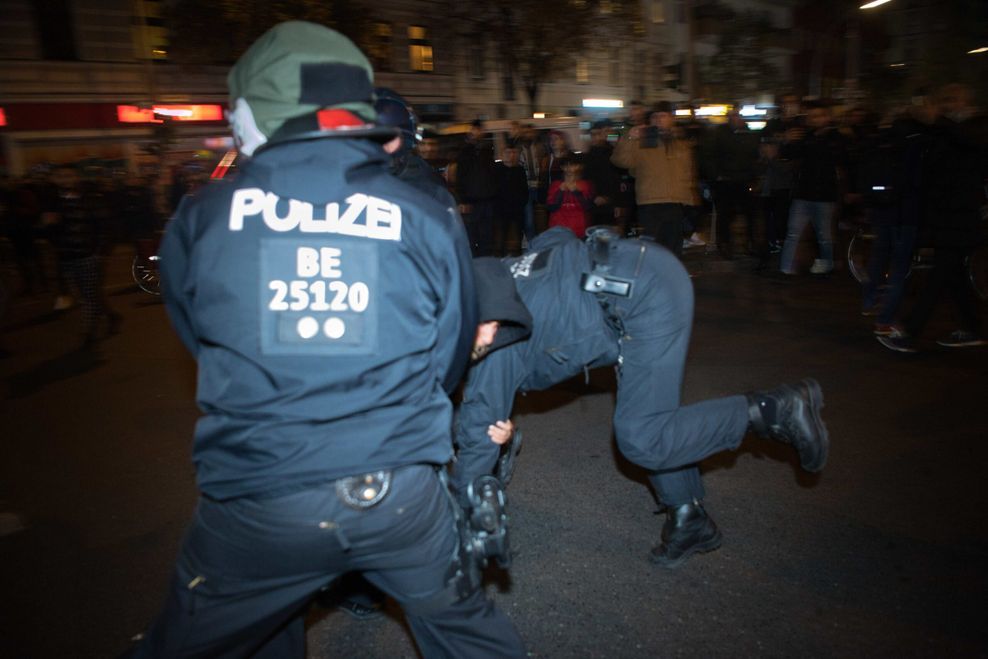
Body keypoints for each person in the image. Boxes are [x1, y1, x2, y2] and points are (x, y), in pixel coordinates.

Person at [129, 22, 525, 658]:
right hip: (402, 494)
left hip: (263, 501)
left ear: (256, 116)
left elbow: (198, 334)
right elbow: (450, 352)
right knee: (469, 638)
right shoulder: (426, 211)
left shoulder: (201, 217)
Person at [453, 227, 830, 568]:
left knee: (641, 437)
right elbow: (558, 236)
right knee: (647, 411)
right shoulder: (500, 274)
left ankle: (774, 409)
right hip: (637, 265)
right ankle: (688, 519)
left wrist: (458, 524)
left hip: (642, 299)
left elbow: (477, 436)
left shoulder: (494, 345)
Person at [878, 84, 987, 352]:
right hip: (944, 215)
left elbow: (971, 143)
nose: (947, 104)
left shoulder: (977, 125)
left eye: (952, 100)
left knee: (941, 274)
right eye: (943, 100)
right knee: (953, 275)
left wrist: (937, 119)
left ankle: (910, 331)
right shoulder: (943, 130)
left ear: (966, 101)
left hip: (963, 216)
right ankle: (972, 328)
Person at [611, 102, 697, 257]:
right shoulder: (642, 142)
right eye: (655, 117)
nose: (658, 120)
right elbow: (620, 161)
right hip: (650, 204)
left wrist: (689, 200)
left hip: (675, 203)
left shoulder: (680, 144)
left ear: (671, 119)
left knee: (673, 249)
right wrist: (630, 137)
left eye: (663, 116)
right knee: (652, 249)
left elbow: (686, 173)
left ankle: (670, 278)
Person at [778, 100, 847, 276]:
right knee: (793, 232)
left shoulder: (835, 138)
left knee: (824, 235)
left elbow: (841, 160)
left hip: (824, 194)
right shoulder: (806, 136)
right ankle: (785, 268)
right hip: (803, 193)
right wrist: (787, 142)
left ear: (827, 117)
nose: (815, 120)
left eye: (819, 116)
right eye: (812, 116)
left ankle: (827, 264)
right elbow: (789, 154)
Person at [455, 119, 498, 256]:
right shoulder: (465, 151)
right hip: (471, 201)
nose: (477, 132)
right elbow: (461, 176)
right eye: (475, 129)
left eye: (480, 130)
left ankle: (486, 265)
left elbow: (492, 174)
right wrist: (463, 200)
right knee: (472, 236)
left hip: (487, 200)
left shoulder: (487, 150)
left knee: (487, 237)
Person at [546, 156, 593, 237]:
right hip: (559, 228)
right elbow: (551, 207)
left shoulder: (585, 185)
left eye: (572, 165)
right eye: (566, 166)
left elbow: (588, 206)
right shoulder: (555, 185)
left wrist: (576, 192)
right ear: (562, 167)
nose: (569, 168)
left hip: (578, 229)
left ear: (578, 166)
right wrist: (560, 191)